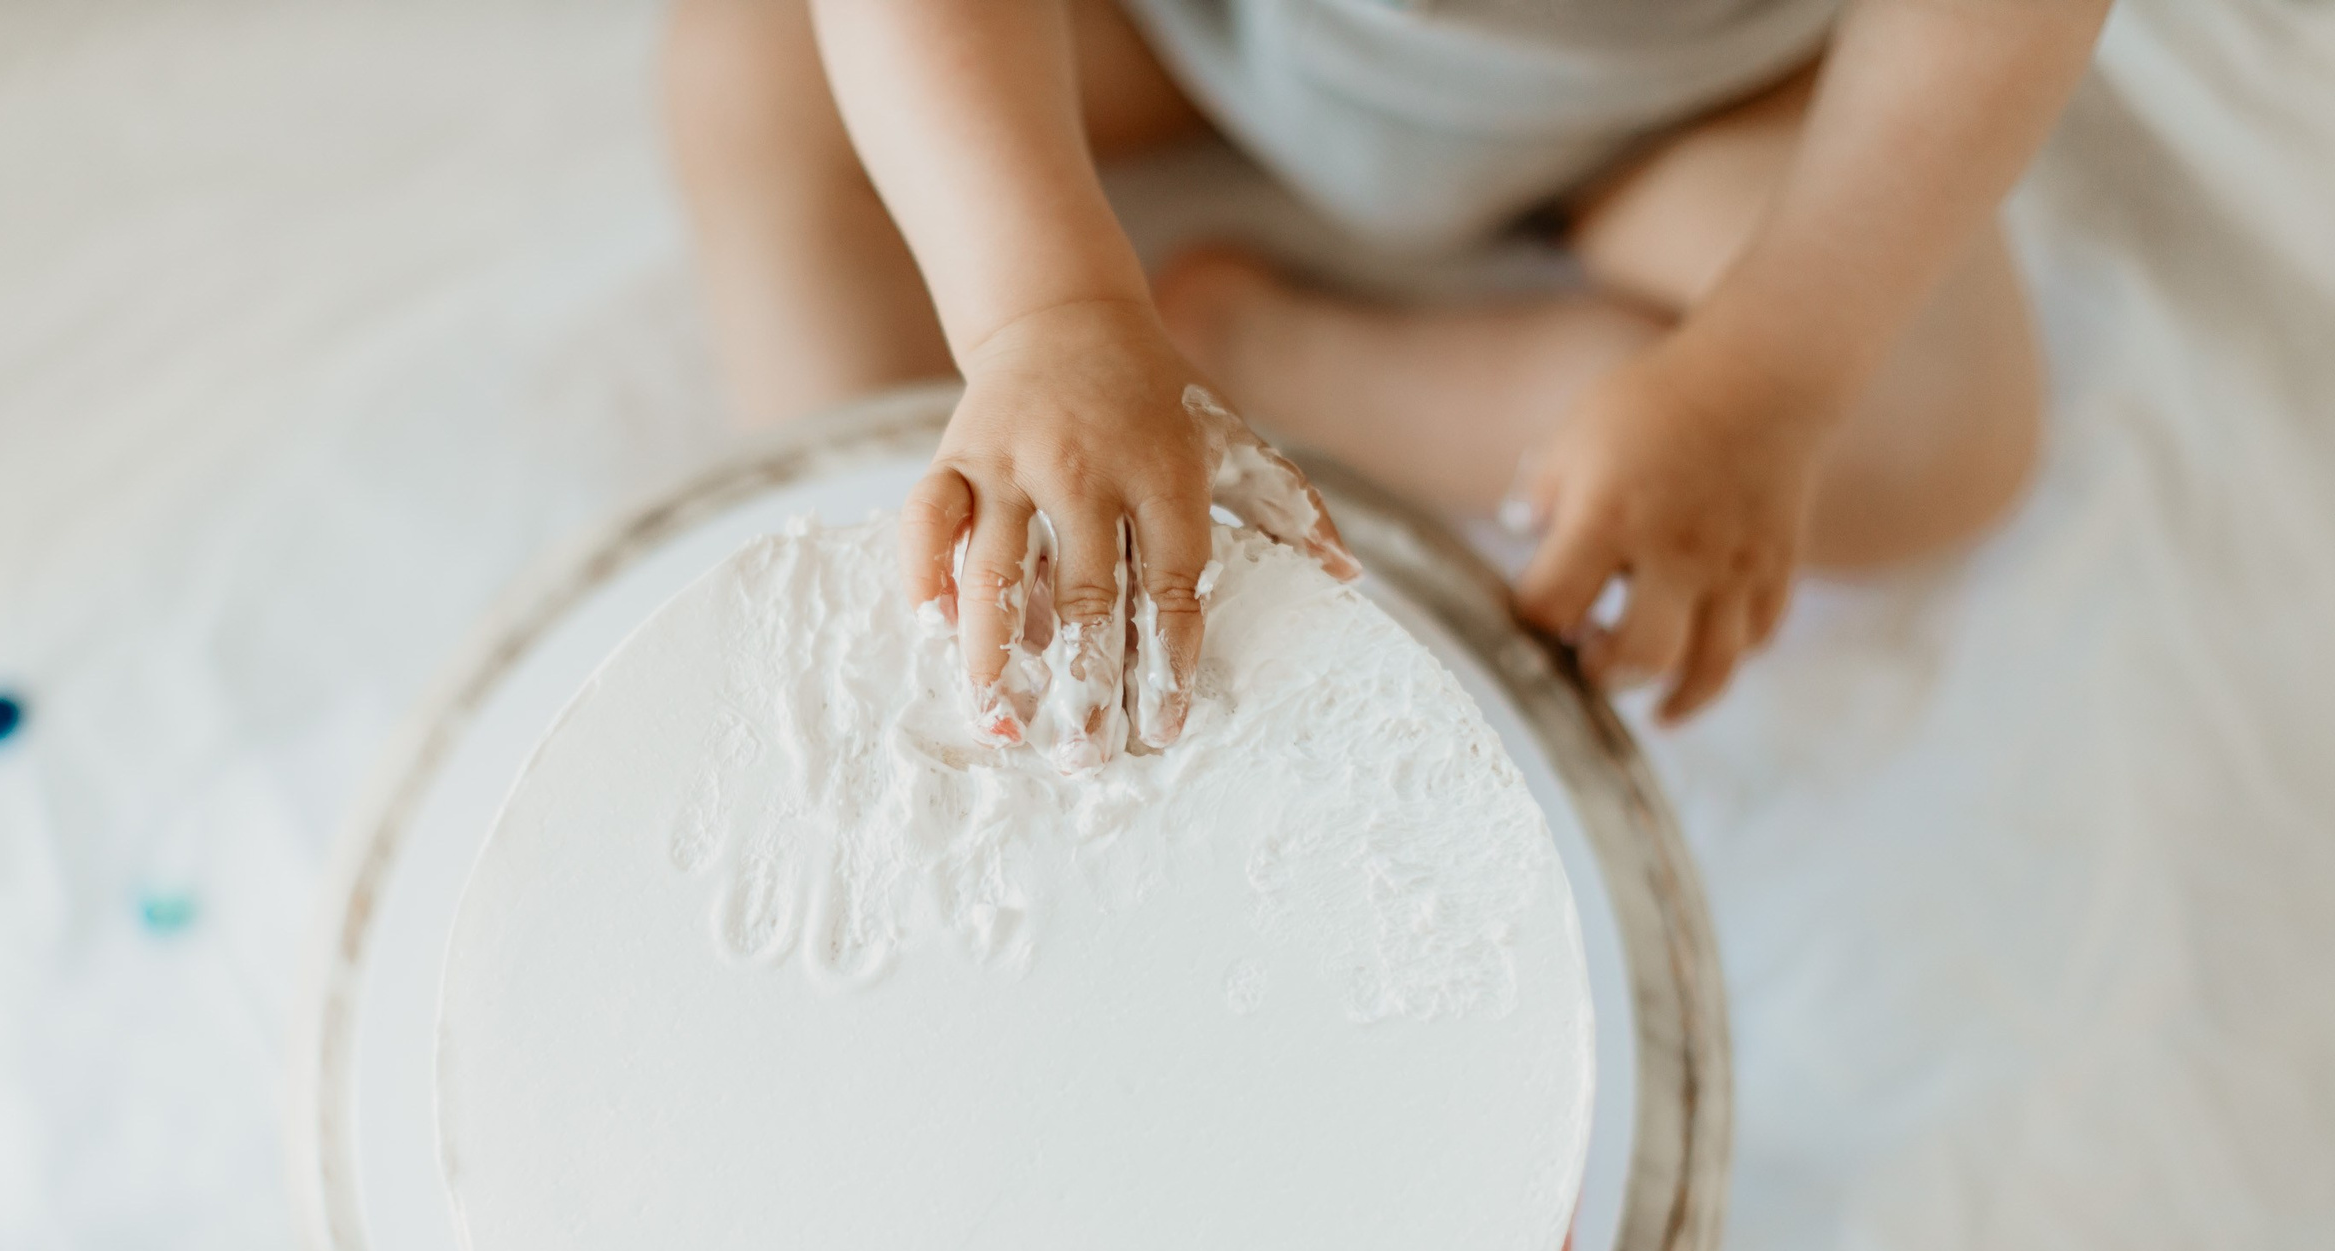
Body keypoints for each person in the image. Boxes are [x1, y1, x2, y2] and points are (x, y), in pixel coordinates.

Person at [664, 0, 2110, 738]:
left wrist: (1767, 377)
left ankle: (1270, 358)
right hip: (1191, 34)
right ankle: (910, 607)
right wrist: (1037, 304)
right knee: (760, 62)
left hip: (1674, 101)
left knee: (1932, 430)